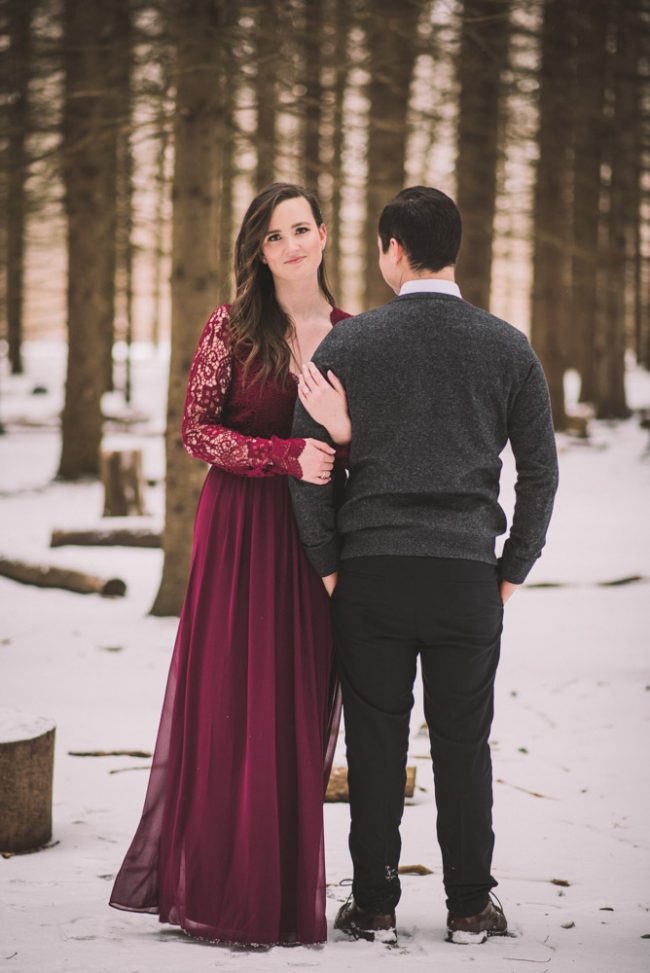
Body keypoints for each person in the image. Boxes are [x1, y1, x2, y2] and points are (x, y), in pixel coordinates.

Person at [289, 186, 559, 946]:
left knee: (375, 740)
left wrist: (328, 564)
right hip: (466, 577)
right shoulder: (507, 346)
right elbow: (540, 471)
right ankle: (470, 905)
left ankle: (373, 904)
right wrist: (511, 568)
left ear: (393, 250)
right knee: (465, 742)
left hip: (369, 573)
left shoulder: (347, 346)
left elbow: (305, 465)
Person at [109, 182, 352, 946]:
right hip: (241, 529)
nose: (292, 245)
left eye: (302, 228)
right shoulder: (232, 326)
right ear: (257, 248)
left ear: (323, 234)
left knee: (298, 697)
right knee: (234, 697)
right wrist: (285, 455)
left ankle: (279, 884)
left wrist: (342, 443)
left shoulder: (353, 332)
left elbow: (365, 443)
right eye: (275, 235)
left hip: (316, 541)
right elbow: (195, 430)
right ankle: (218, 883)